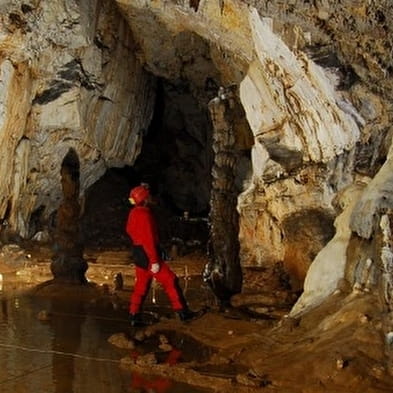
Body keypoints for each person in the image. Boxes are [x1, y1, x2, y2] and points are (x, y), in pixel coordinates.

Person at [125, 183, 198, 326]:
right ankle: (183, 312)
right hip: (148, 254)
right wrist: (154, 261)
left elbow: (129, 230)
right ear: (145, 198)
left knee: (141, 285)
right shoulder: (144, 214)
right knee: (170, 280)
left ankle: (134, 315)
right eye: (149, 195)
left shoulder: (133, 212)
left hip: (138, 253)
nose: (151, 198)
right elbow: (149, 239)